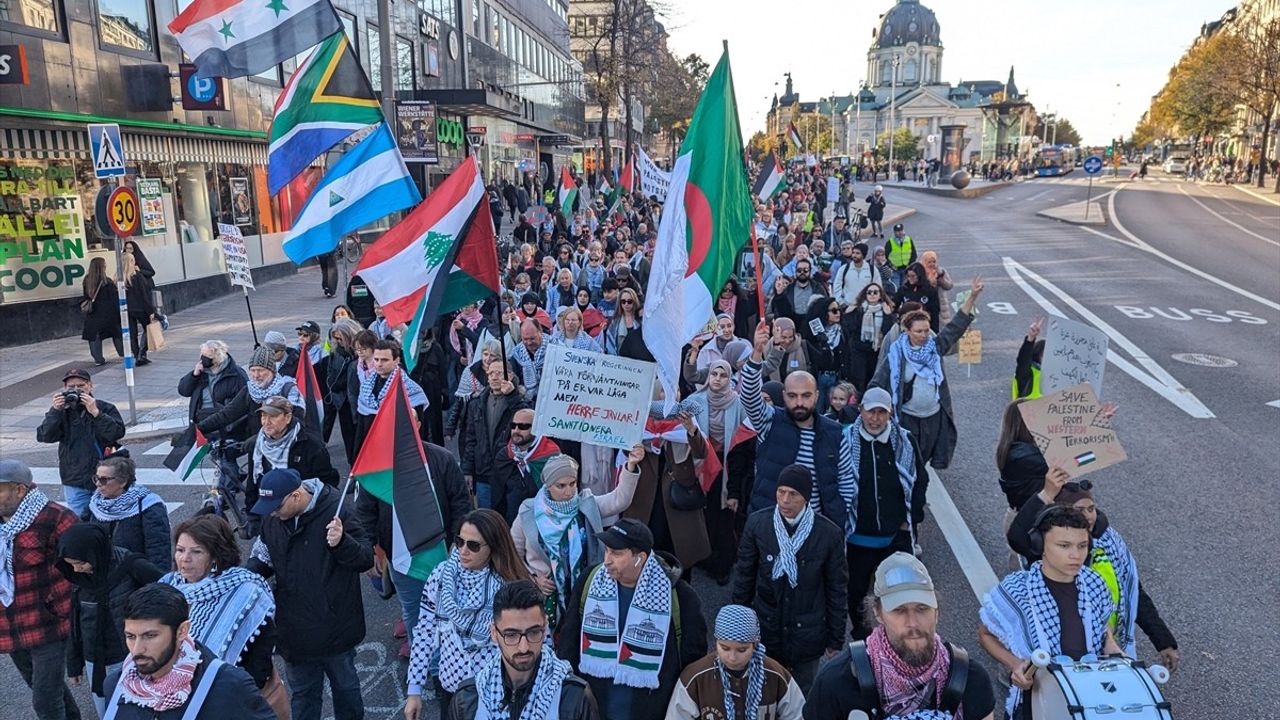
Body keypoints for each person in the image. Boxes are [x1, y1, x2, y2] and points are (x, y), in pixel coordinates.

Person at [1006, 474, 1179, 669]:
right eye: (1079, 510)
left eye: (1091, 508)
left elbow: (1133, 594)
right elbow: (1017, 538)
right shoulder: (1050, 545)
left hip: (1107, 647)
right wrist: (1046, 493)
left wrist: (1164, 641)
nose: (1088, 515)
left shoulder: (1111, 541)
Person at [246, 468, 375, 720]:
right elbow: (263, 556)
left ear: (296, 496)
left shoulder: (337, 511)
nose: (272, 513)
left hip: (335, 629)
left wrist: (342, 543)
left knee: (346, 691)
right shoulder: (273, 518)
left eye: (277, 506)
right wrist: (246, 577)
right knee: (304, 696)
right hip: (294, 634)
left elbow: (365, 558)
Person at [805, 553, 996, 720]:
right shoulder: (837, 682)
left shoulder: (971, 678)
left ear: (936, 612)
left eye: (922, 608)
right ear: (878, 613)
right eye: (899, 610)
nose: (912, 622)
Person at [978, 506, 1122, 720]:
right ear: (1040, 544)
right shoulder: (1017, 589)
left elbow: (1103, 625)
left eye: (1082, 546)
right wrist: (1015, 665)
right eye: (1064, 546)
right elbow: (985, 634)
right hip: (1037, 700)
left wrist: (1110, 643)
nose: (1076, 555)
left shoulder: (1095, 582)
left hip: (1089, 694)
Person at [557, 519, 706, 720]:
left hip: (650, 710)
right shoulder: (589, 581)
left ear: (640, 558)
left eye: (617, 553)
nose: (607, 560)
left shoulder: (680, 596)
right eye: (607, 550)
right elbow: (569, 640)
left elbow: (692, 660)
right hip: (594, 708)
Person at [731, 465, 847, 693]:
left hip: (808, 632)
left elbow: (837, 588)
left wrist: (835, 637)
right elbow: (744, 577)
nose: (785, 500)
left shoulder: (829, 534)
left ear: (806, 498)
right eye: (780, 492)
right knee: (763, 692)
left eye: (793, 494)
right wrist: (737, 624)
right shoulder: (757, 524)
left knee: (801, 695)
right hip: (766, 627)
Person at [405, 509, 532, 715]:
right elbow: (425, 633)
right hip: (452, 690)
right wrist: (414, 691)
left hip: (497, 694)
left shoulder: (510, 587)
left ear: (493, 547)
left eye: (473, 545)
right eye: (460, 541)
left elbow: (535, 640)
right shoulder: (440, 577)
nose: (463, 550)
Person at [740, 322, 856, 536]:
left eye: (806, 395)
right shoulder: (770, 422)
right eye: (793, 396)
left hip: (816, 531)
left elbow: (847, 482)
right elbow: (748, 396)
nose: (800, 402)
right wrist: (757, 353)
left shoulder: (835, 433)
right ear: (784, 396)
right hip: (771, 528)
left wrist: (836, 521)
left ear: (818, 396)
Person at [511, 449, 644, 630]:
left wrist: (630, 466)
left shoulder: (586, 503)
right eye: (561, 485)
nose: (569, 491)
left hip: (585, 592)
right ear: (548, 485)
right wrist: (533, 579)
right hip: (544, 596)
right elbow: (513, 554)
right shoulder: (528, 512)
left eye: (572, 483)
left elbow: (620, 500)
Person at [101, 583, 275, 719]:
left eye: (150, 635)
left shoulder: (229, 686)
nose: (137, 649)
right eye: (131, 636)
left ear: (182, 631)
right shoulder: (116, 686)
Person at [161, 515, 282, 707]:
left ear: (216, 557)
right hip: (172, 700)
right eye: (180, 550)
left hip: (229, 700)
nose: (185, 559)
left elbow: (259, 660)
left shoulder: (246, 592)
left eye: (197, 552)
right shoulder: (167, 586)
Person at [442, 580, 600, 720]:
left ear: (545, 627)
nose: (524, 647)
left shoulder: (573, 697)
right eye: (511, 635)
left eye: (533, 632)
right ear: (494, 633)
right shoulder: (468, 699)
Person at [841, 387, 928, 639]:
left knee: (897, 591)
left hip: (894, 536)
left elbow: (920, 480)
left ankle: (893, 636)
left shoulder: (905, 441)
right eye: (871, 412)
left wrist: (910, 519)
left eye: (882, 412)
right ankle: (861, 636)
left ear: (890, 414)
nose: (876, 418)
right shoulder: (845, 440)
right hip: (857, 537)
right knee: (857, 592)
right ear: (861, 411)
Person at [871, 277, 984, 471]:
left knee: (923, 464)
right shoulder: (896, 355)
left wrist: (972, 296)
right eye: (919, 331)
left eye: (926, 330)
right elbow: (876, 385)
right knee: (906, 462)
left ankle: (918, 495)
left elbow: (955, 328)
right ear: (907, 331)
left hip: (933, 418)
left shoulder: (934, 347)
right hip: (906, 418)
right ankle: (910, 497)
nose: (924, 335)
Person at [0, 459, 83, 720]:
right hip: (10, 626)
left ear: (20, 490)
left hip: (48, 625)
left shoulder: (56, 517)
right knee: (46, 690)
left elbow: (83, 567)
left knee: (45, 702)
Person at [56, 523, 164, 716]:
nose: (77, 569)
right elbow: (75, 622)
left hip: (131, 654)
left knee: (140, 708)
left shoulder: (130, 565)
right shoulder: (78, 577)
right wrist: (74, 664)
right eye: (71, 564)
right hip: (95, 660)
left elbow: (165, 591)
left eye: (81, 563)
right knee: (107, 711)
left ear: (95, 553)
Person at [667, 605, 805, 720]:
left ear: (755, 644)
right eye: (724, 648)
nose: (732, 657)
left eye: (742, 650)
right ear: (716, 642)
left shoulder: (776, 675)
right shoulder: (695, 677)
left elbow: (797, 714)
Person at [242, 395, 339, 534]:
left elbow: (328, 483)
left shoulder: (311, 445)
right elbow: (253, 481)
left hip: (304, 515)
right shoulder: (257, 445)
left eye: (273, 416)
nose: (266, 422)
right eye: (263, 416)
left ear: (288, 417)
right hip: (270, 513)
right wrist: (252, 516)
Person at [37, 368, 126, 517]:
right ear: (65, 389)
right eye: (71, 387)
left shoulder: (104, 407)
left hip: (107, 478)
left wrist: (96, 414)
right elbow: (45, 436)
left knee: (110, 520)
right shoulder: (62, 411)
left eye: (81, 386)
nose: (76, 390)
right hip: (75, 480)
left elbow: (117, 433)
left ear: (90, 386)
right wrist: (55, 411)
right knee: (80, 525)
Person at [196, 346, 303, 445]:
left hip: (286, 449)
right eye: (252, 370)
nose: (256, 376)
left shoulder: (288, 389)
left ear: (272, 370)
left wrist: (257, 440)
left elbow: (295, 422)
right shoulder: (250, 390)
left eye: (260, 370)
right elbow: (226, 414)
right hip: (257, 452)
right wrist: (198, 429)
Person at [463, 362, 530, 515]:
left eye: (499, 373)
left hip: (509, 473)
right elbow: (471, 439)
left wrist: (512, 396)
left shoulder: (519, 399)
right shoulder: (477, 403)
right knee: (486, 521)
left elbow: (526, 422)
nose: (494, 377)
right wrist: (467, 470)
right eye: (490, 373)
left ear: (510, 376)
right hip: (484, 473)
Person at [86, 452, 171, 570]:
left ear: (123, 482)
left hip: (136, 574)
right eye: (96, 478)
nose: (98, 484)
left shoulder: (148, 506)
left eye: (104, 480)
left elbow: (158, 550)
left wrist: (157, 582)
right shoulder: (95, 504)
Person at [353, 339, 428, 455]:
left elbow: (416, 431)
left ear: (396, 361)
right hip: (371, 451)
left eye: (384, 360)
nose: (379, 364)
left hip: (398, 451)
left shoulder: (410, 390)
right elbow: (361, 428)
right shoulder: (366, 387)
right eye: (376, 359)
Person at [493, 408, 561, 524]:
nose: (516, 430)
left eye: (523, 426)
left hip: (544, 522)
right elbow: (498, 493)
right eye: (513, 425)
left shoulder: (551, 456)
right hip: (512, 521)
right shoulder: (504, 456)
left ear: (536, 428)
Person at [178, 341, 248, 438]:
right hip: (201, 422)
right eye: (202, 354)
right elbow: (183, 390)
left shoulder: (236, 374)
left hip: (223, 425)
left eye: (207, 355)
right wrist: (194, 375)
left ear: (217, 357)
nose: (203, 358)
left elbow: (244, 401)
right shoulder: (201, 372)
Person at [839, 283, 896, 395]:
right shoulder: (859, 309)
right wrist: (848, 312)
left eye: (875, 292)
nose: (872, 295)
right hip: (858, 350)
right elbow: (848, 328)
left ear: (881, 295)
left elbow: (888, 332)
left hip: (876, 351)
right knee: (858, 380)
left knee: (873, 380)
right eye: (869, 292)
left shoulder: (885, 310)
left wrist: (888, 315)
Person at [81, 256, 124, 366]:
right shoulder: (107, 281)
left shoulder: (87, 280)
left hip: (93, 313)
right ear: (102, 267)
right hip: (108, 314)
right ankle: (123, 353)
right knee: (116, 334)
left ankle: (98, 359)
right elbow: (114, 299)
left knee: (95, 336)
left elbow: (86, 296)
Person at [121, 250, 157, 366]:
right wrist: (151, 311)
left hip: (127, 310)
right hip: (140, 308)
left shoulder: (119, 278)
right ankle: (142, 354)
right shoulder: (137, 277)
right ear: (131, 262)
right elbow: (144, 296)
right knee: (147, 329)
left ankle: (137, 355)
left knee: (132, 333)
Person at [893, 263, 941, 333]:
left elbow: (935, 312)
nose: (910, 278)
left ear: (920, 276)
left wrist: (934, 331)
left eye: (913, 276)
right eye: (908, 276)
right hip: (907, 327)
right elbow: (894, 305)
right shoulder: (903, 289)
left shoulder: (930, 290)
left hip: (924, 326)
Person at [830, 242, 881, 308]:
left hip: (866, 307)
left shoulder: (872, 270)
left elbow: (878, 287)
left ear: (863, 255)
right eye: (853, 253)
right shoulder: (844, 269)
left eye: (857, 253)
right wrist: (840, 302)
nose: (854, 255)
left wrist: (873, 303)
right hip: (847, 306)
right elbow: (837, 286)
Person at [1012, 317, 1045, 400]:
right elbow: (1023, 361)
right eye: (1045, 355)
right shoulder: (1028, 373)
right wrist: (1030, 339)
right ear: (1038, 356)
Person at [883, 223, 916, 289]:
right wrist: (891, 266)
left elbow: (914, 254)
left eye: (901, 230)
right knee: (896, 287)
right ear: (894, 232)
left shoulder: (908, 240)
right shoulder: (890, 242)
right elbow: (885, 256)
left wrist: (910, 265)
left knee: (905, 287)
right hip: (895, 270)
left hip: (906, 269)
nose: (899, 233)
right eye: (897, 231)